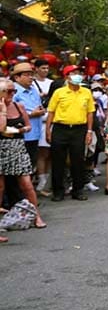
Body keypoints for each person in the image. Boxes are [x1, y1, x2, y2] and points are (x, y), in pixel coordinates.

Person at [44, 65, 95, 201]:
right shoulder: (59, 92)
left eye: (78, 73)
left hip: (79, 130)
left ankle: (78, 190)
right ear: (67, 77)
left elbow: (90, 113)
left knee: (78, 161)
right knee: (58, 161)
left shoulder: (86, 92)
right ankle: (58, 191)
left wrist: (89, 131)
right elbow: (51, 112)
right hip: (60, 129)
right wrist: (48, 130)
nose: (77, 75)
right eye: (73, 73)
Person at [0, 79, 46, 228]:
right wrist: (4, 111)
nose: (13, 94)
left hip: (18, 147)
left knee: (27, 184)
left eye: (14, 91)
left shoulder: (18, 106)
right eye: (9, 91)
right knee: (0, 187)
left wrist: (21, 130)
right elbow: (1, 128)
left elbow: (28, 125)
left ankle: (36, 215)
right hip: (2, 148)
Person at [12, 62, 45, 190]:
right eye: (27, 75)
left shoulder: (34, 90)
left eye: (32, 75)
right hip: (21, 135)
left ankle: (28, 195)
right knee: (20, 168)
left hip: (34, 133)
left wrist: (40, 110)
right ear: (17, 77)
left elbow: (37, 107)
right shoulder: (13, 92)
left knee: (31, 165)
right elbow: (12, 114)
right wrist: (32, 114)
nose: (31, 78)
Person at [31, 58, 57, 192]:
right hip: (40, 120)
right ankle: (41, 180)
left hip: (52, 119)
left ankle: (47, 179)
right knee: (43, 152)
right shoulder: (32, 84)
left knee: (52, 152)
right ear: (36, 68)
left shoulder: (51, 82)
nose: (45, 71)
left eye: (47, 68)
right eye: (42, 68)